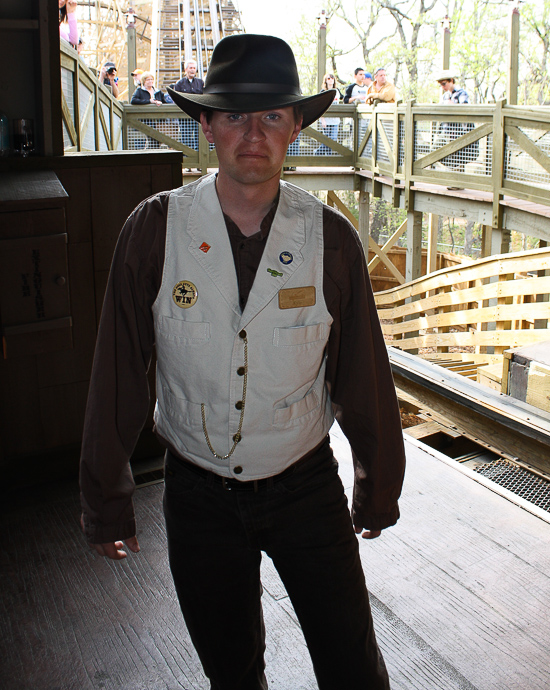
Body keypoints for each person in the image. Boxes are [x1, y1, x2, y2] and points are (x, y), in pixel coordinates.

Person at [80, 33, 406, 690]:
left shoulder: (331, 241)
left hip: (304, 484)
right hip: (197, 494)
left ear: (294, 128)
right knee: (231, 674)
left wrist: (378, 484)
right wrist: (106, 497)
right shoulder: (153, 230)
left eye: (272, 116)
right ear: (206, 124)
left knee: (352, 667)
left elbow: (362, 378)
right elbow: (118, 371)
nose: (252, 134)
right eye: (233, 114)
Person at [433, 69, 478, 176]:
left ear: (451, 81)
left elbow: (465, 109)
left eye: (444, 83)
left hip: (459, 132)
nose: (443, 87)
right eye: (441, 85)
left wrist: (452, 104)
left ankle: (457, 182)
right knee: (435, 150)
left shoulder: (461, 93)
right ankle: (454, 170)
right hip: (446, 131)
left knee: (459, 156)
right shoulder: (444, 96)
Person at [172, 59, 204, 152]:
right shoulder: (179, 83)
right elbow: (176, 98)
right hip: (184, 116)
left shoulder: (200, 82)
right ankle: (188, 159)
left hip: (197, 115)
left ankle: (199, 161)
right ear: (185, 69)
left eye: (194, 68)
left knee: (199, 137)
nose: (192, 70)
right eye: (190, 68)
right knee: (185, 137)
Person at [315, 73, 342, 155]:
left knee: (333, 139)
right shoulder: (323, 92)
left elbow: (344, 99)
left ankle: (318, 153)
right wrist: (322, 120)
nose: (331, 80)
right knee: (326, 139)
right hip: (326, 120)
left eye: (332, 78)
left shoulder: (337, 91)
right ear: (325, 81)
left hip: (335, 120)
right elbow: (319, 106)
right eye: (329, 78)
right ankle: (324, 155)